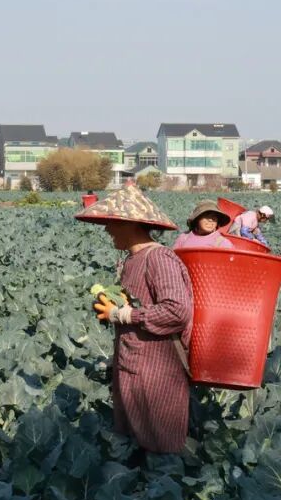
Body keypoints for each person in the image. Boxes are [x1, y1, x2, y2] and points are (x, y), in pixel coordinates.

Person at [75, 185, 194, 454]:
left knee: (161, 446)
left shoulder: (159, 258)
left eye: (111, 224)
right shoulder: (131, 260)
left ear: (128, 223)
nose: (107, 230)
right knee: (133, 445)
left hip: (157, 369)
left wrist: (125, 314)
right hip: (131, 363)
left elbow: (177, 311)